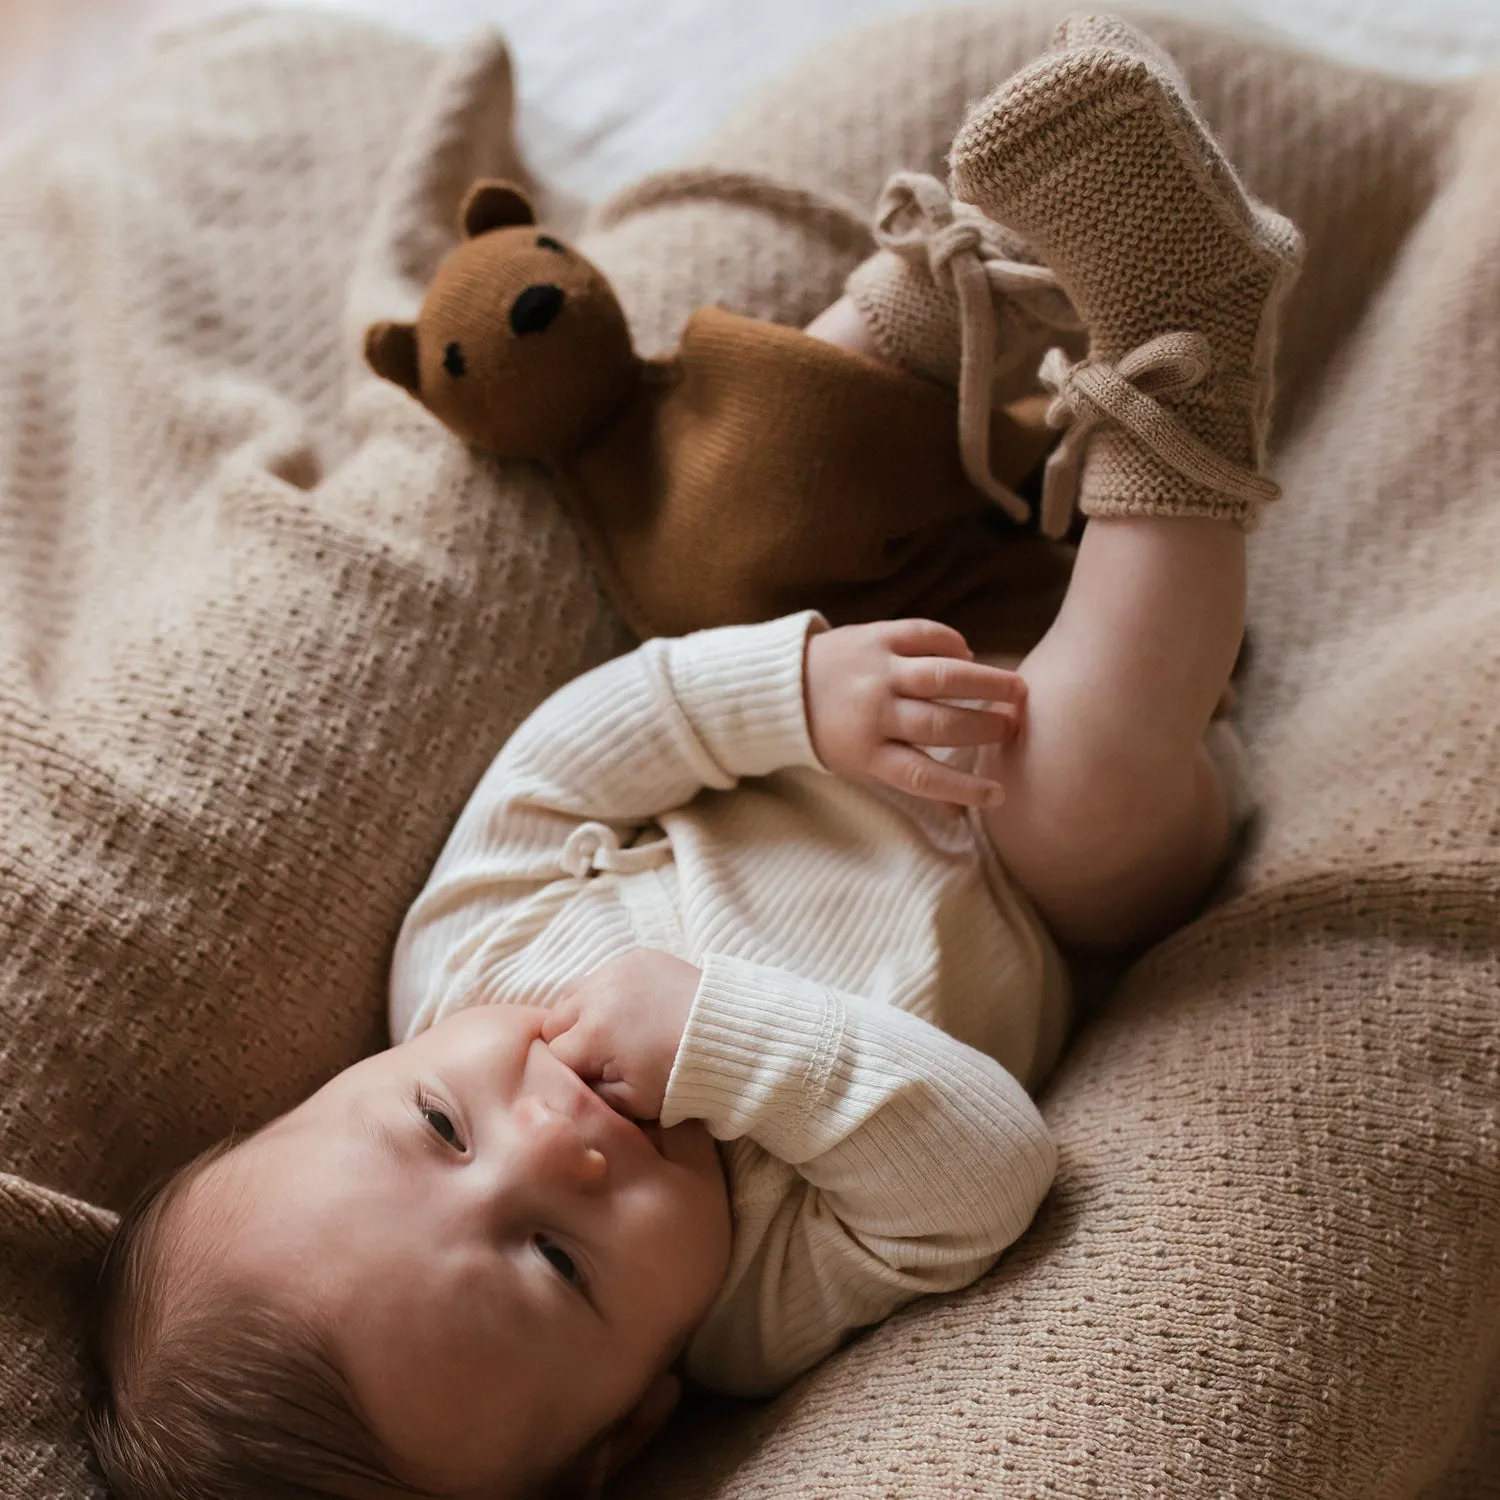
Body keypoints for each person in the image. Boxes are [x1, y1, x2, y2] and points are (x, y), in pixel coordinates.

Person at [87, 15, 1301, 1500]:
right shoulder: (758, 1304)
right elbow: (991, 1167)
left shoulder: (464, 965)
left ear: (363, 1073)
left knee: (722, 546)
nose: (554, 1144)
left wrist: (791, 693)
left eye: (438, 1122)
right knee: (1087, 791)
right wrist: (723, 1036)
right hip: (1049, 854)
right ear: (631, 1426)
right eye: (556, 1260)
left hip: (858, 673)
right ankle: (1188, 362)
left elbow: (584, 752)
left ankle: (931, 306)